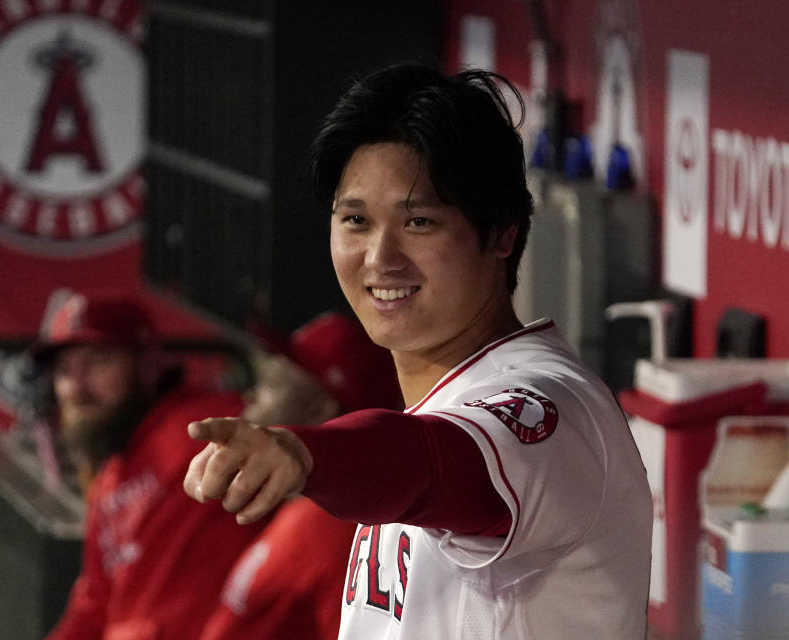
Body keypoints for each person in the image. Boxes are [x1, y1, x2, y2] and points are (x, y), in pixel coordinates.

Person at [183, 63, 653, 640]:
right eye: (355, 220)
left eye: (419, 222)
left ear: (503, 232)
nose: (380, 257)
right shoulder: (437, 400)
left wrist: (306, 454)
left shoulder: (550, 403)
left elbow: (439, 465)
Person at [38, 289, 269, 640]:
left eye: (96, 361)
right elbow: (94, 605)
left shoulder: (210, 425)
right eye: (64, 370)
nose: (76, 387)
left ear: (147, 364)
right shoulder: (109, 478)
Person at [199, 313, 403, 640]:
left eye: (271, 385)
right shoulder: (307, 513)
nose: (250, 397)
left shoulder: (332, 529)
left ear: (320, 410)